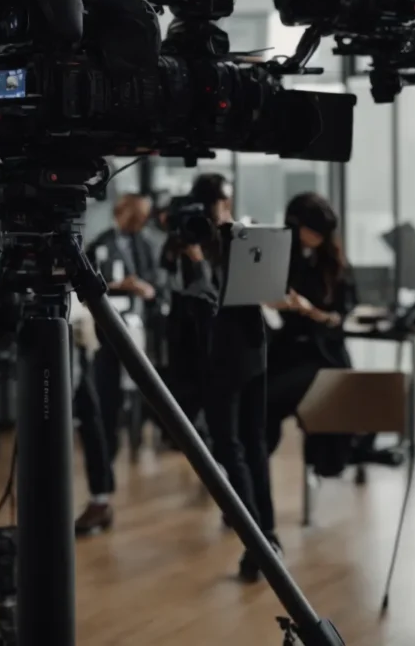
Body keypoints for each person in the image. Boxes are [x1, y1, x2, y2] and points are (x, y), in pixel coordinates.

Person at [163, 174, 277, 582]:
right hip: (253, 350)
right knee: (253, 445)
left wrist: (193, 261)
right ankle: (269, 536)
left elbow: (204, 301)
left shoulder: (212, 244)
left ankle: (257, 545)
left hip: (223, 357)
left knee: (232, 448)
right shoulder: (241, 236)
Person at [73, 192, 160, 535]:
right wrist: (113, 286)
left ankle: (101, 492)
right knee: (98, 409)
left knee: (110, 406)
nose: (140, 224)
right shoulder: (99, 245)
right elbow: (84, 289)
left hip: (136, 330)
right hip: (100, 337)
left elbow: (156, 281)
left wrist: (146, 289)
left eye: (144, 218)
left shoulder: (145, 244)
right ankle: (100, 491)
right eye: (135, 216)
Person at [265, 192, 358, 475]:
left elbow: (340, 318)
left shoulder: (335, 265)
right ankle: (247, 484)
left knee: (270, 401)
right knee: (258, 407)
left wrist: (310, 311)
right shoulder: (278, 259)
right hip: (286, 352)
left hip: (323, 356)